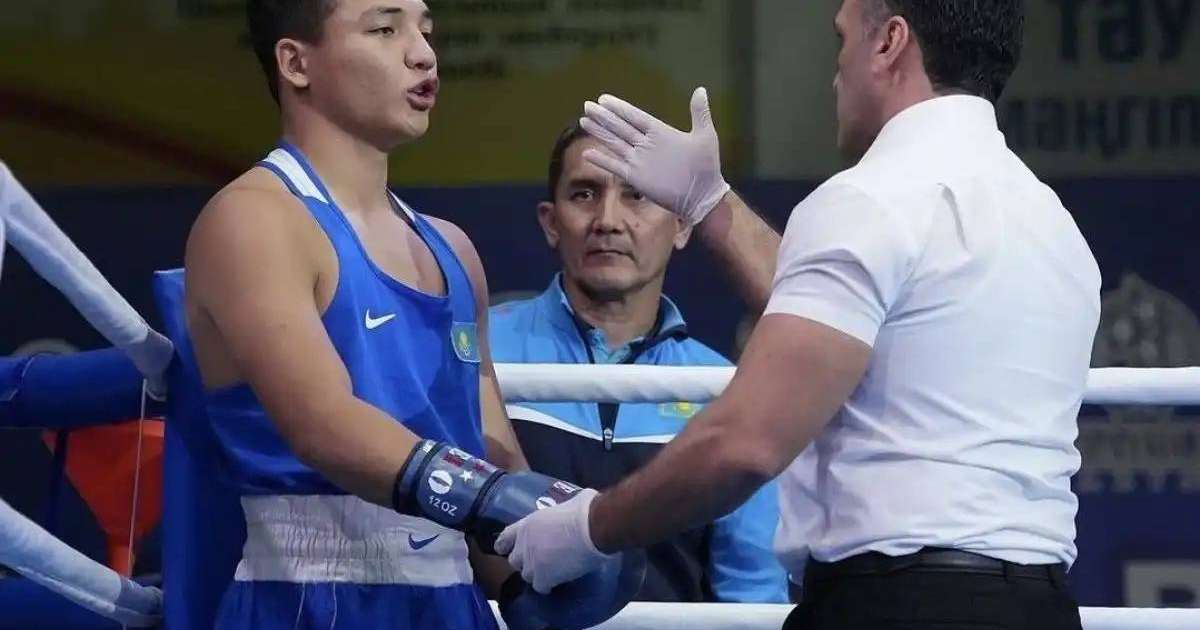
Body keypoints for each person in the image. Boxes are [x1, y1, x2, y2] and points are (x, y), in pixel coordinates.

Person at [496, 1, 1100, 629]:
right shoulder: (1054, 227)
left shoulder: (869, 200)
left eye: (841, 40)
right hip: (1040, 605)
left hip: (893, 605)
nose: (835, 71)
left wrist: (587, 529)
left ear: (890, 42)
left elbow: (747, 444)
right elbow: (843, 320)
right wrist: (710, 203)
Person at [178, 1, 641, 628]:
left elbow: (488, 447)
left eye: (425, 29)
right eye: (384, 28)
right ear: (296, 63)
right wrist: (495, 499)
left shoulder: (451, 250)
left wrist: (546, 555)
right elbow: (324, 425)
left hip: (454, 601)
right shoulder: (255, 220)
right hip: (310, 599)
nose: (423, 53)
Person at [488, 122, 787, 603]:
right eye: (584, 194)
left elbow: (753, 590)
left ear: (683, 225)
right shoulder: (480, 351)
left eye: (638, 196)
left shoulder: (725, 388)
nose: (607, 219)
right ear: (549, 221)